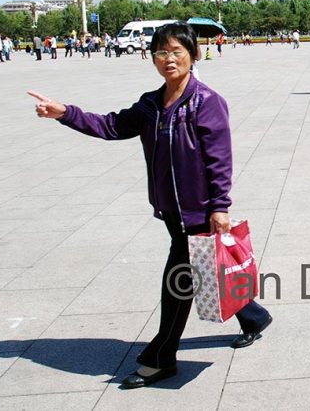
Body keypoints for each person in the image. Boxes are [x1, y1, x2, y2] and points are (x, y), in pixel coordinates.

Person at [26, 22, 272, 389]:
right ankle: (253, 316)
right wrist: (65, 112)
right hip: (171, 210)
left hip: (200, 210)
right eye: (161, 53)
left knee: (178, 282)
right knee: (206, 268)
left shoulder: (206, 102)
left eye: (176, 52)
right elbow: (111, 126)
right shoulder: (151, 105)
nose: (168, 59)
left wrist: (220, 206)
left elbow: (220, 158)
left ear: (193, 55)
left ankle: (161, 358)